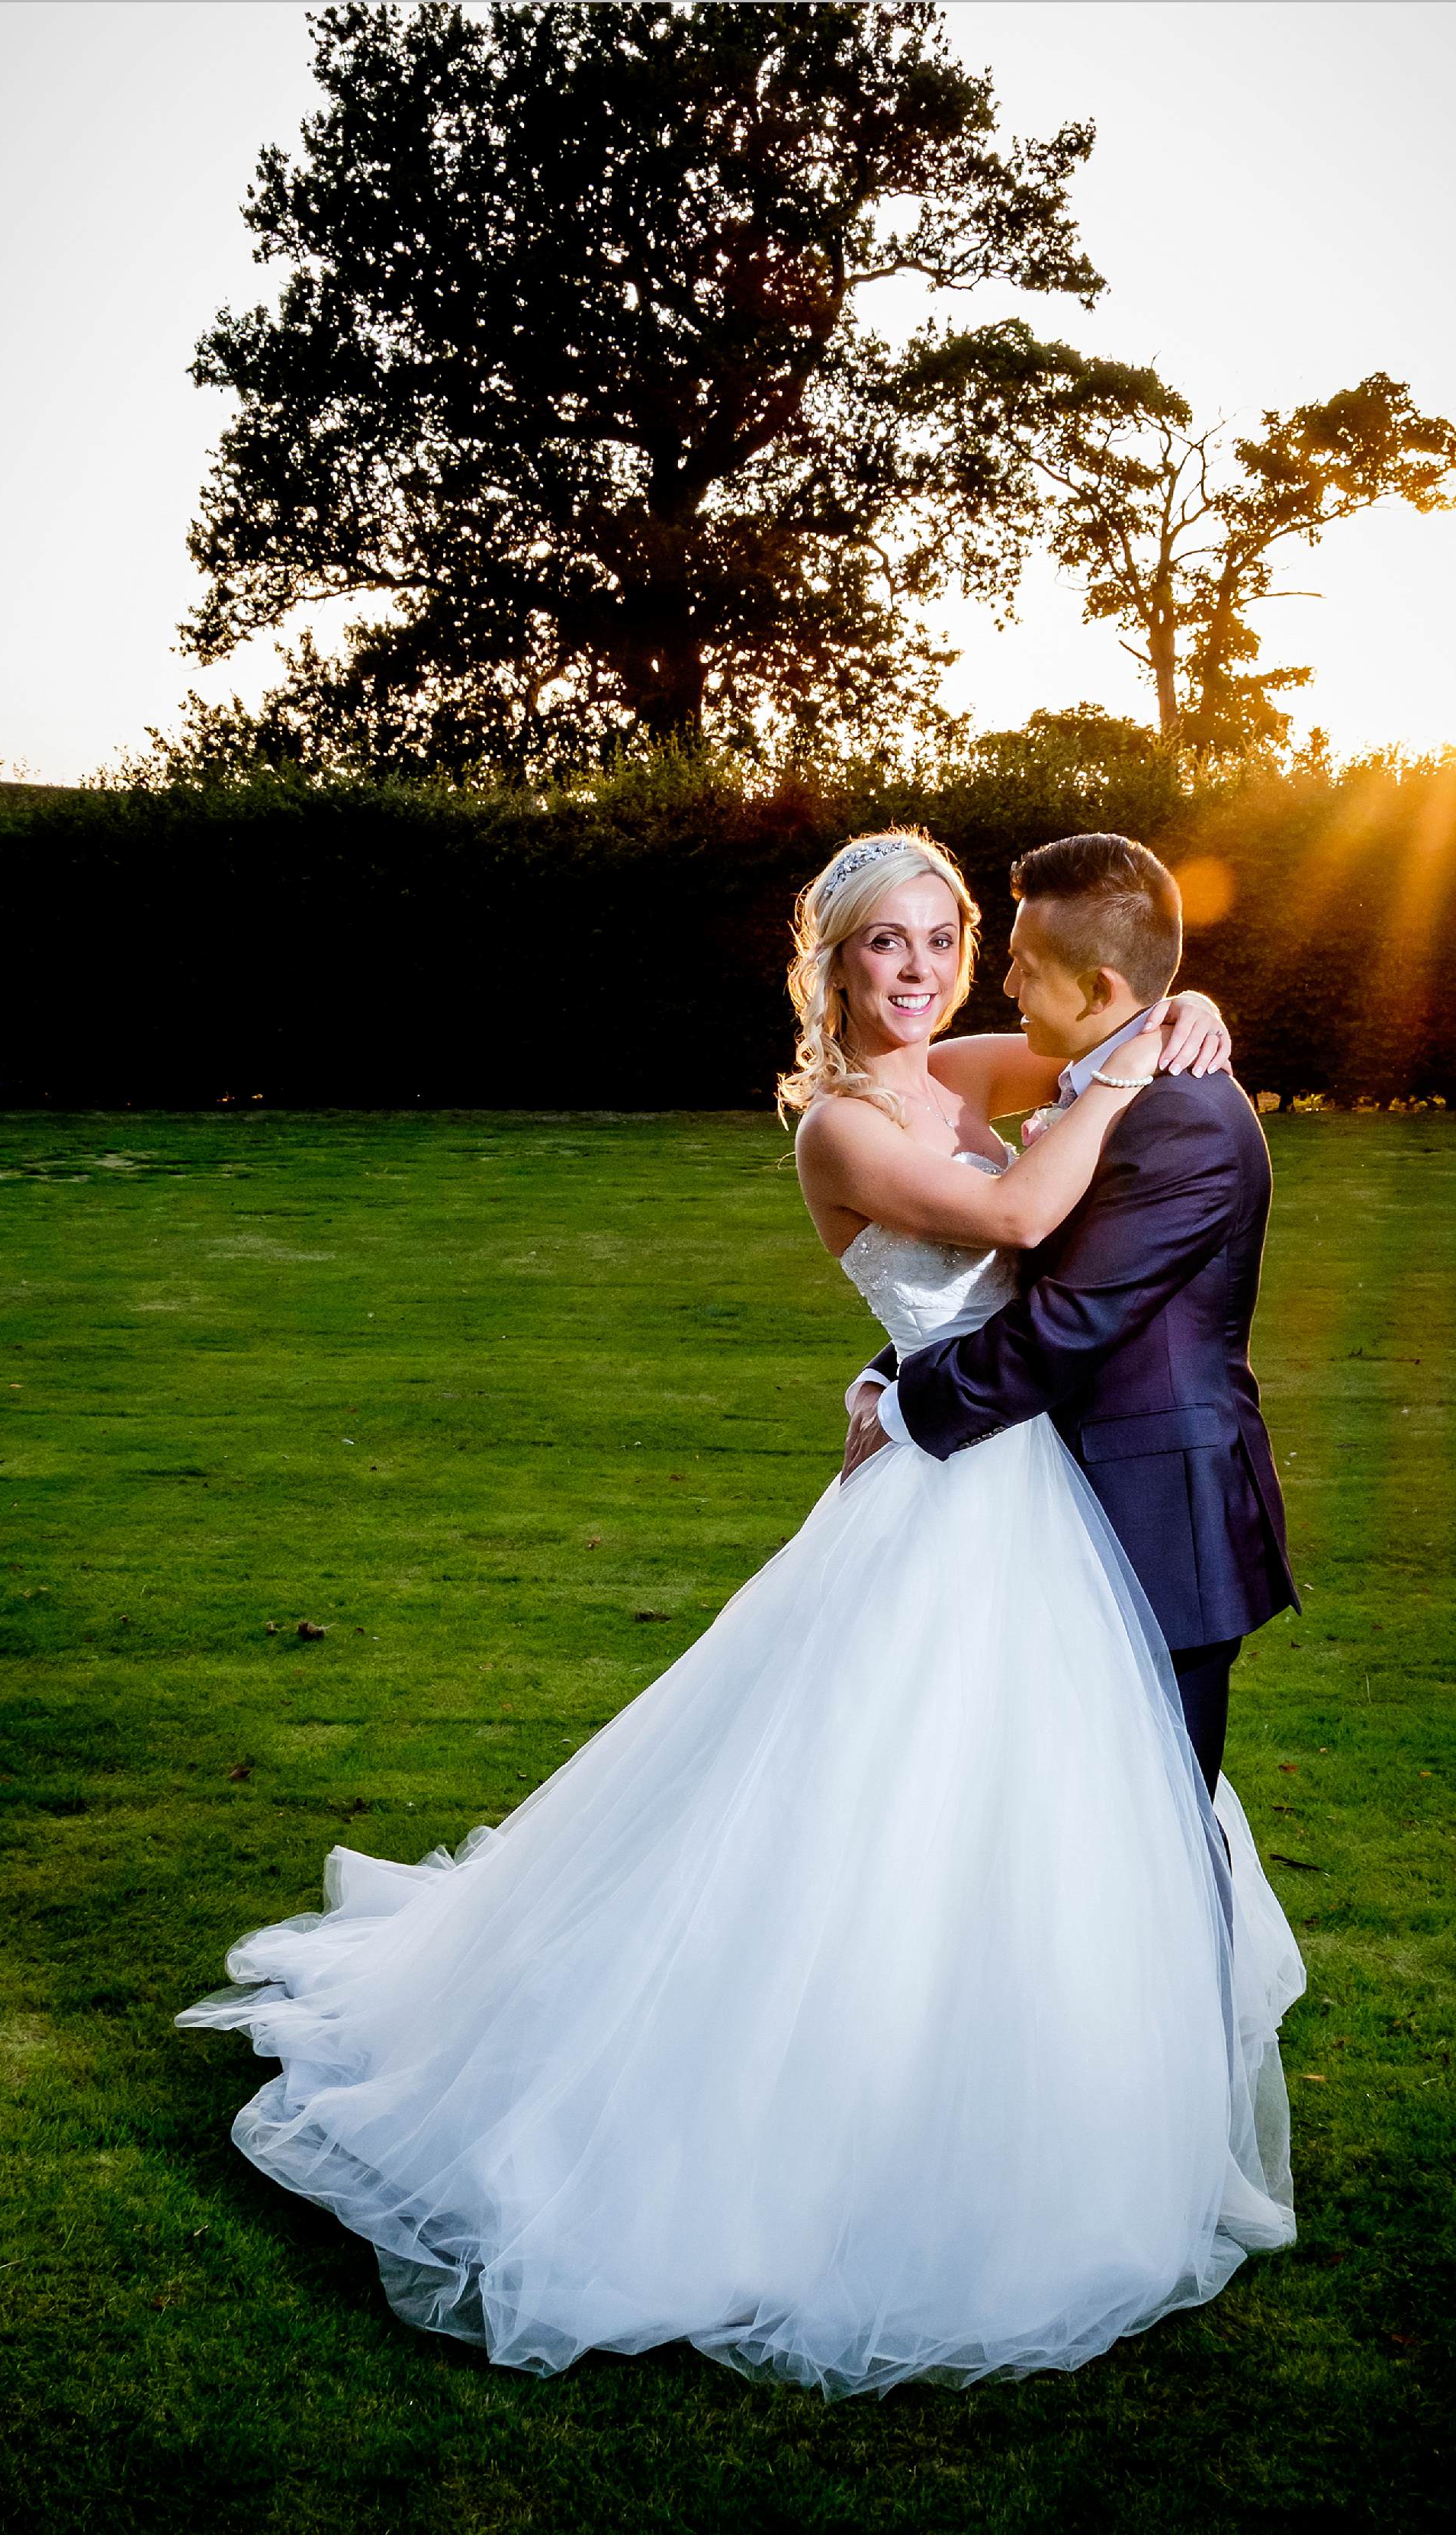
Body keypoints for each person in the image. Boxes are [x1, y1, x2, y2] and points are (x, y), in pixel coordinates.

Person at [179, 828, 1303, 2400]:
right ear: (829, 965)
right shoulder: (846, 1129)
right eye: (880, 948)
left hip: (1031, 1493)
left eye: (938, 940)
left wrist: (1184, 1019)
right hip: (949, 1484)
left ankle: (1010, 2072)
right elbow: (1035, 1220)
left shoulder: (963, 1067)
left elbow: (1097, 1022)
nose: (915, 974)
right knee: (860, 1806)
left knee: (1010, 1806)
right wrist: (1125, 1070)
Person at [844, 832, 1297, 1807]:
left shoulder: (1178, 1119)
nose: (1000, 980)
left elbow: (1067, 1320)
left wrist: (908, 1406)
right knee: (1043, 1821)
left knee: (1157, 1827)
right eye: (890, 942)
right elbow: (1001, 1274)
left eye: (1021, 964)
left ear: (1095, 990)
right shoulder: (1097, 1076)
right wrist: (893, 1364)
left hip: (1156, 1518)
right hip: (1045, 1499)